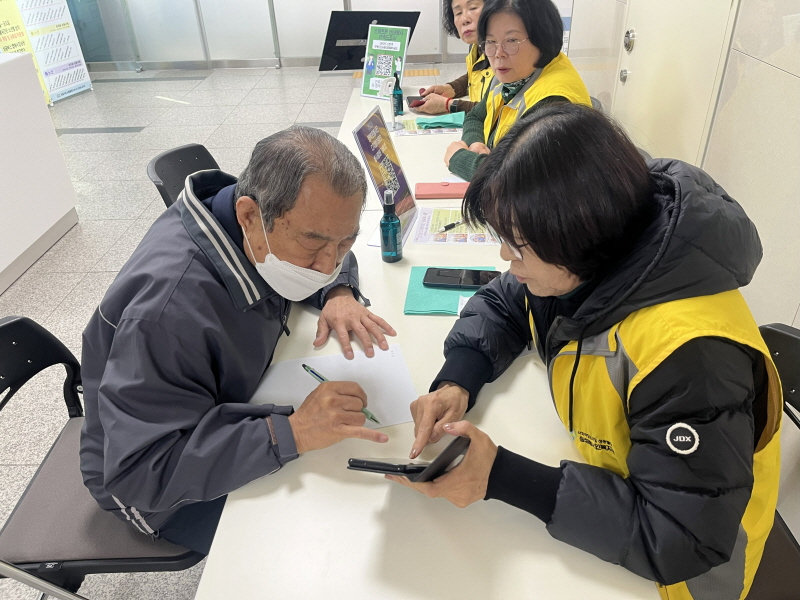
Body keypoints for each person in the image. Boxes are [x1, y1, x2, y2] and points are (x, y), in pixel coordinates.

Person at [389, 104, 782, 600]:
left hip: (677, 582)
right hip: (609, 504)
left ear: (576, 238)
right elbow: (505, 302)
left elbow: (681, 539)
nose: (506, 260)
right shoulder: (588, 257)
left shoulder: (689, 357)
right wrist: (457, 380)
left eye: (517, 246)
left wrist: (501, 476)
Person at [80, 126, 396, 555]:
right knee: (336, 538)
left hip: (225, 408)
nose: (328, 264)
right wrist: (293, 432)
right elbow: (139, 473)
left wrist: (338, 291)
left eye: (345, 243)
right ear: (249, 217)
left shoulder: (257, 222)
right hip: (159, 495)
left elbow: (326, 238)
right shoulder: (168, 315)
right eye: (313, 245)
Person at [445, 0, 591, 181]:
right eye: (490, 41)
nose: (498, 53)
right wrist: (476, 142)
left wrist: (460, 159)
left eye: (511, 40)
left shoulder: (553, 102)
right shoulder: (513, 74)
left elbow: (518, 180)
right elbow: (476, 116)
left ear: (542, 38)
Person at [413, 0, 493, 115]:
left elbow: (497, 111)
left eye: (473, 8)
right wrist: (451, 88)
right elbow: (475, 76)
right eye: (458, 13)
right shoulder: (476, 46)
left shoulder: (505, 53)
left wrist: (448, 105)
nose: (464, 19)